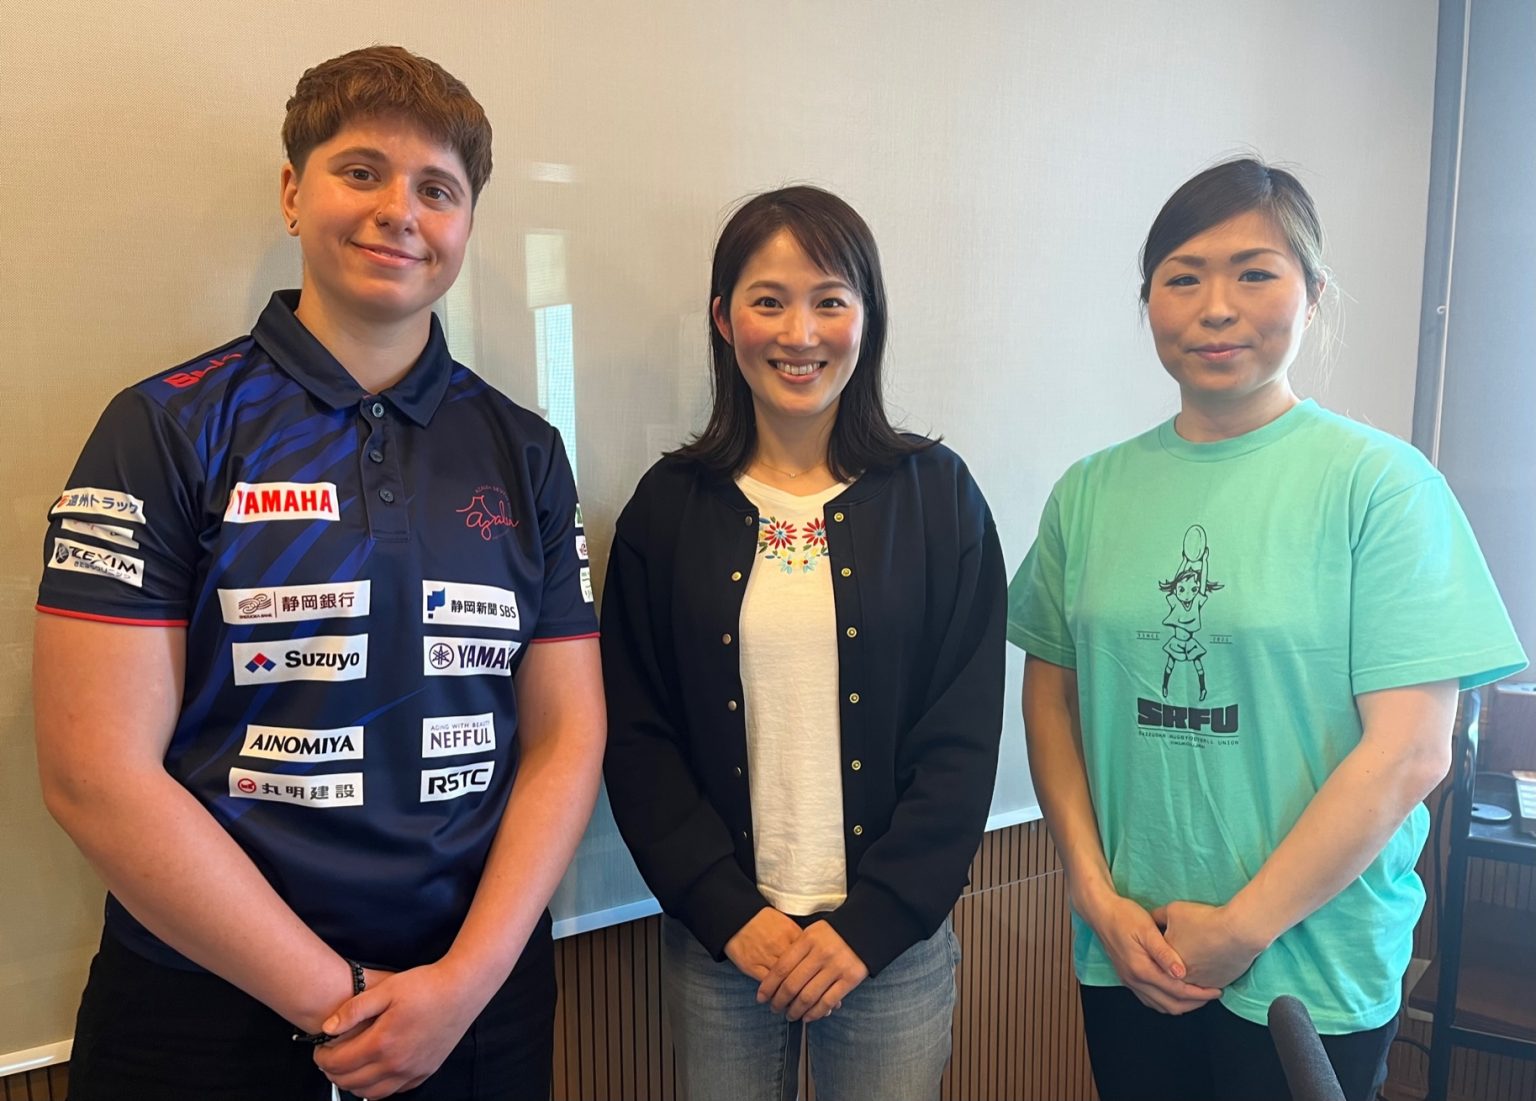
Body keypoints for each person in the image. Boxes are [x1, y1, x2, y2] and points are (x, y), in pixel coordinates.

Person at [32, 46, 605, 1101]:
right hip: (203, 1013)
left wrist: (462, 985)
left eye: (437, 189)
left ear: (467, 223)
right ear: (294, 193)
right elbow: (92, 772)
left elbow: (567, 738)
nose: (400, 211)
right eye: (362, 172)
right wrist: (339, 1002)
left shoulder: (526, 451)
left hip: (474, 1002)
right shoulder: (165, 427)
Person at [1008, 156, 1527, 1101]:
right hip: (1131, 947)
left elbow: (1411, 750)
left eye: (1255, 273)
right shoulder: (1089, 492)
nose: (1216, 308)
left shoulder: (1382, 486)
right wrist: (1091, 890)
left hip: (1311, 968)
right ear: (1148, 301)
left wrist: (1242, 927)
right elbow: (1051, 697)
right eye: (1182, 278)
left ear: (1312, 294)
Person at [600, 185, 1006, 1101]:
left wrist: (873, 923)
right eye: (769, 300)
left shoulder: (939, 499)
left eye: (829, 300)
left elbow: (963, 734)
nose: (800, 332)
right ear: (723, 318)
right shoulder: (668, 509)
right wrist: (726, 910)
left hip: (890, 948)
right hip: (725, 947)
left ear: (868, 316)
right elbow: (637, 734)